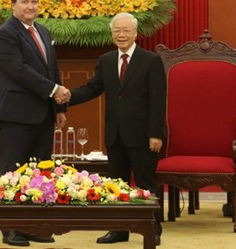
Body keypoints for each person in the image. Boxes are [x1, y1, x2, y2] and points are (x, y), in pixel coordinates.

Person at [63, 12, 166, 246]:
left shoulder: (151, 60)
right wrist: (66, 97)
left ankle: (153, 228)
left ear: (135, 33)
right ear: (112, 34)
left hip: (143, 135)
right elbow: (92, 88)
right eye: (117, 31)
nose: (121, 35)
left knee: (146, 184)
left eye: (126, 30)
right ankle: (118, 229)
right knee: (116, 184)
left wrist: (156, 133)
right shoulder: (106, 60)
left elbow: (158, 100)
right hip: (115, 133)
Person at [0, 0, 69, 247]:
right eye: (25, 2)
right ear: (13, 4)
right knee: (13, 173)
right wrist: (54, 89)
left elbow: (52, 69)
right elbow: (19, 70)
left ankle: (32, 225)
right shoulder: (5, 34)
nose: (30, 6)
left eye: (34, 2)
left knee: (38, 173)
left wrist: (59, 107)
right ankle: (11, 228)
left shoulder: (44, 32)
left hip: (42, 115)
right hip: (15, 115)